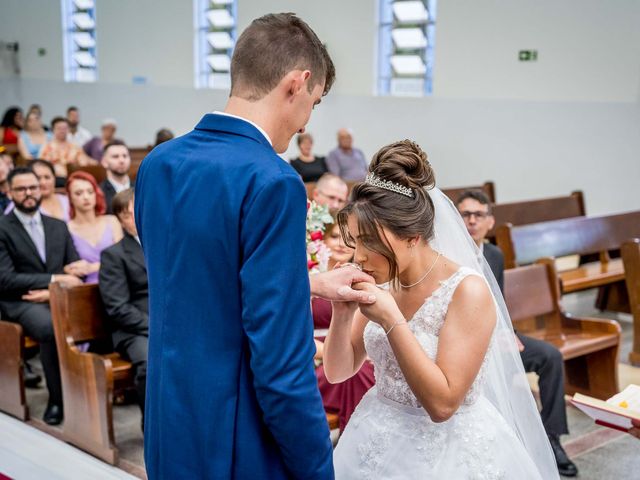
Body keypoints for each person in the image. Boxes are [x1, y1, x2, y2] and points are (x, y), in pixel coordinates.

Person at [135, 13, 381, 479]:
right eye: (315, 101)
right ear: (298, 82)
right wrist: (315, 466)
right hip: (236, 429)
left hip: (170, 416)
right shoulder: (272, 181)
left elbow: (199, 281)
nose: (307, 120)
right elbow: (280, 361)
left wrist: (305, 282)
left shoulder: (158, 164)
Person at [325, 140, 558, 479]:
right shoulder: (383, 277)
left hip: (448, 451)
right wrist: (341, 312)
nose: (359, 256)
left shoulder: (467, 291)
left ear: (413, 236)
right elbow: (338, 371)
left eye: (371, 242)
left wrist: (392, 320)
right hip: (376, 435)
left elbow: (443, 404)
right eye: (356, 241)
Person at [456, 189, 578, 477]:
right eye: (465, 214)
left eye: (479, 215)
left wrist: (506, 332)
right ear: (456, 218)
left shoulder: (495, 255)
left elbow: (497, 303)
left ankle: (552, 439)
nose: (472, 220)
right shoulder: (447, 255)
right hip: (464, 344)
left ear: (490, 222)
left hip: (496, 339)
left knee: (550, 356)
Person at [0, 167, 85, 424]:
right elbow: (5, 279)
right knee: (50, 328)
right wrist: (54, 280)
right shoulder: (3, 228)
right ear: (9, 192)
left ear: (41, 189)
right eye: (21, 189)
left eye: (33, 188)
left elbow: (73, 269)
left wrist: (57, 285)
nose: (28, 193)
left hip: (55, 297)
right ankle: (57, 400)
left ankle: (90, 394)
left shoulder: (58, 226)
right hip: (20, 301)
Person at [313, 217, 375, 432]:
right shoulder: (311, 276)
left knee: (366, 370)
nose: (341, 244)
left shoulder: (361, 278)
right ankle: (358, 435)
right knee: (355, 374)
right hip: (314, 357)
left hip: (348, 351)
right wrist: (321, 351)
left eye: (348, 240)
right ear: (322, 240)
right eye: (334, 236)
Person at [99, 188, 147, 426]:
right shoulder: (114, 255)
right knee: (150, 363)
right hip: (134, 330)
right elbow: (118, 307)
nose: (136, 217)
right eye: (128, 214)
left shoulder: (164, 244)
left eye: (138, 210)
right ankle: (151, 425)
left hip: (167, 324)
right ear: (120, 219)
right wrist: (156, 326)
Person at [66, 171, 123, 283]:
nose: (86, 197)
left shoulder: (112, 221)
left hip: (117, 283)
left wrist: (93, 267)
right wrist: (69, 269)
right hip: (84, 289)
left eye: (90, 192)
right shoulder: (66, 228)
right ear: (70, 197)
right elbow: (64, 264)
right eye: (78, 193)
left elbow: (124, 258)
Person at [99, 140, 131, 214]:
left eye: (125, 156)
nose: (122, 160)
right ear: (104, 162)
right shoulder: (100, 191)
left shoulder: (140, 187)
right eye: (115, 157)